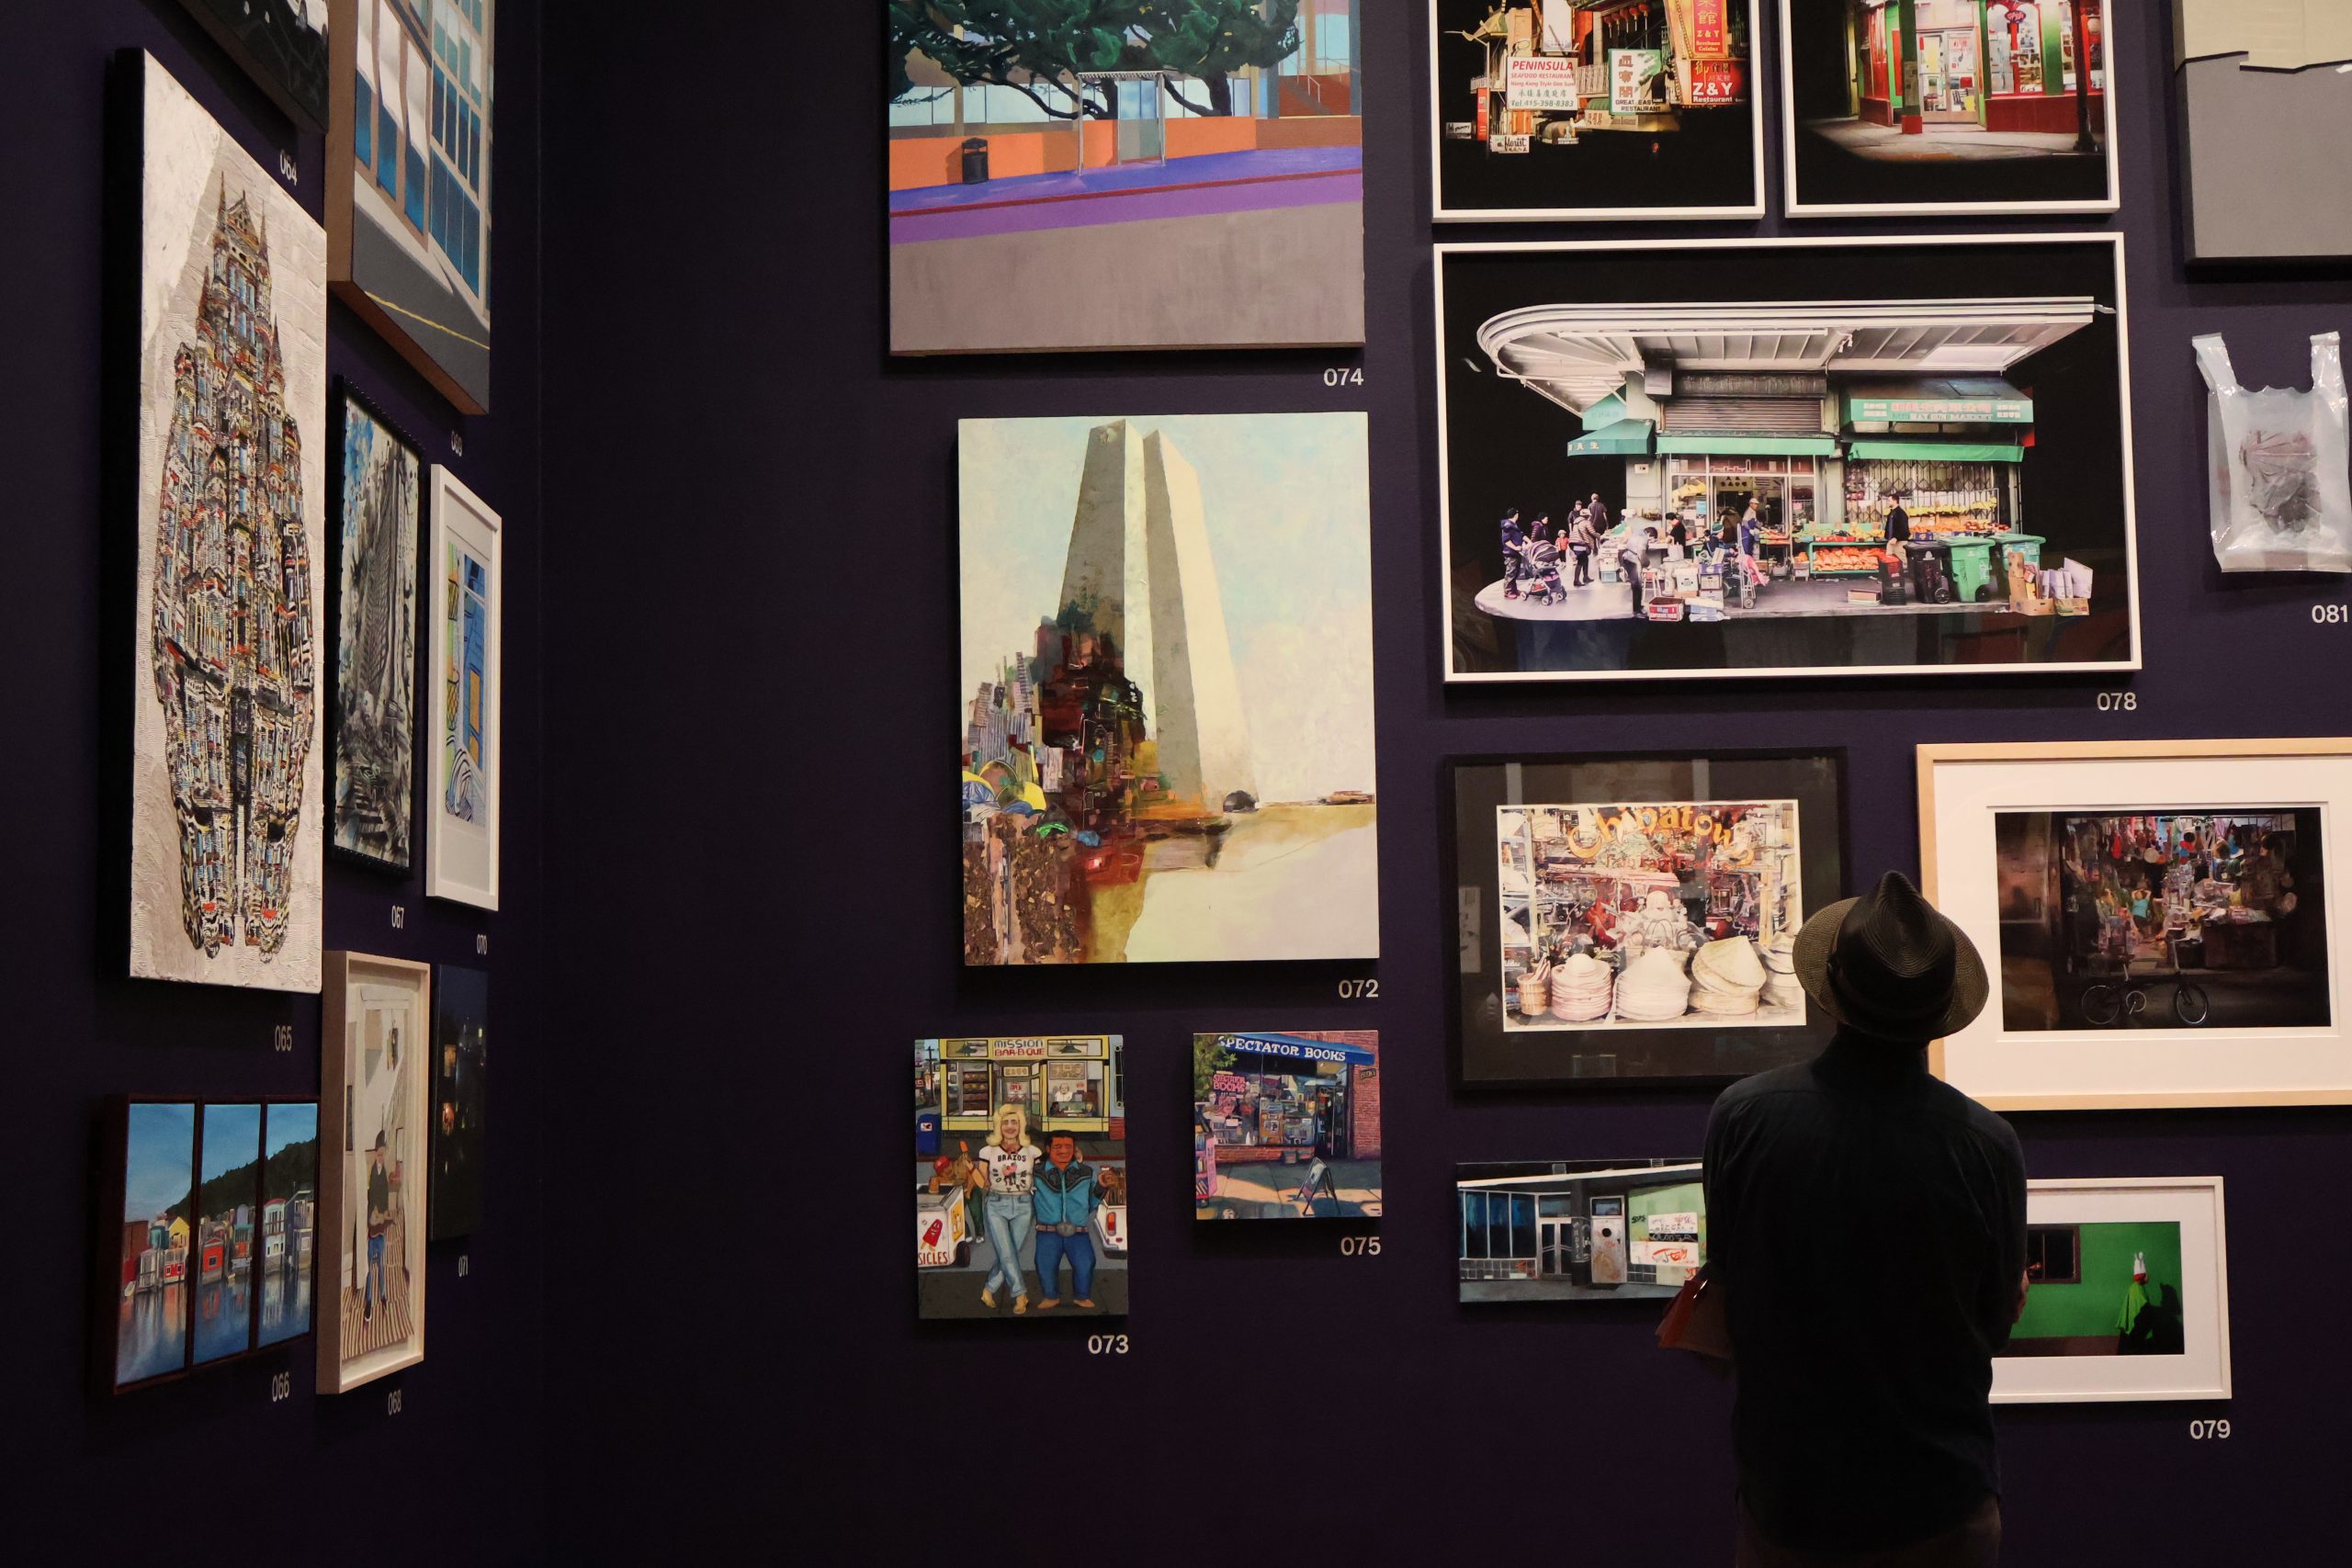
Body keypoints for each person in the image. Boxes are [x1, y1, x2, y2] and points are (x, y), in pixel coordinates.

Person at [1706, 873, 2026, 1567]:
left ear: (1833, 989)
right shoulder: (1986, 1144)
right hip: (1940, 1499)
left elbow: (1725, 1290)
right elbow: (1997, 1317)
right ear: (1940, 1008)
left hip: (1791, 1498)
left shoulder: (1744, 1117)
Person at [976, 1104, 1042, 1313]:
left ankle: (988, 1289)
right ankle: (1020, 1295)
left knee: (1010, 1252)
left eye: (1014, 1122)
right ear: (999, 1126)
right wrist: (972, 1171)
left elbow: (1041, 1179)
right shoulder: (988, 1151)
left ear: (1021, 1125)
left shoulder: (1033, 1151)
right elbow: (982, 1181)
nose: (1010, 1126)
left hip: (1024, 1204)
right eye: (1005, 1122)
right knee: (1006, 1252)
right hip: (996, 1203)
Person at [1031, 1130, 1101, 1311]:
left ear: (1074, 1148)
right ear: (1048, 1148)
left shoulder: (1086, 1172)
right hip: (1047, 1231)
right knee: (1044, 1264)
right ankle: (1051, 1297)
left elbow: (1092, 1202)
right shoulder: (1035, 1172)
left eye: (1068, 1146)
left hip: (1078, 1232)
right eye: (1057, 1146)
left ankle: (1082, 1297)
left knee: (1086, 1263)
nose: (1063, 1150)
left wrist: (1103, 1186)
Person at [364, 1133, 391, 1322]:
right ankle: (368, 1302)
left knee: (380, 1263)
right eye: (379, 1154)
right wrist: (376, 1213)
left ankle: (382, 1295)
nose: (381, 1157)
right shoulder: (372, 1172)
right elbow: (372, 1198)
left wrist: (384, 1214)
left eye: (383, 1154)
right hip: (372, 1223)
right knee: (368, 1268)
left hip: (381, 1223)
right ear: (375, 1153)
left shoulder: (384, 1172)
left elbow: (385, 1197)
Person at [1499, 510, 1529, 599]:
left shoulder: (1514, 525)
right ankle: (1508, 592)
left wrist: (1528, 542)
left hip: (1516, 553)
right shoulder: (1507, 526)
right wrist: (1515, 547)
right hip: (1510, 553)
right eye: (1517, 513)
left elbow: (1521, 535)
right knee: (1510, 572)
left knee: (1515, 572)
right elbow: (1506, 540)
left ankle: (1514, 590)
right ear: (1515, 515)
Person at [1569, 508, 1600, 586]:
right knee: (1581, 560)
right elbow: (1593, 532)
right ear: (1586, 516)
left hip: (1573, 543)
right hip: (1580, 543)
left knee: (1585, 559)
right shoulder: (1586, 522)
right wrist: (1600, 537)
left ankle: (1585, 577)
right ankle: (1576, 581)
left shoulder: (1576, 522)